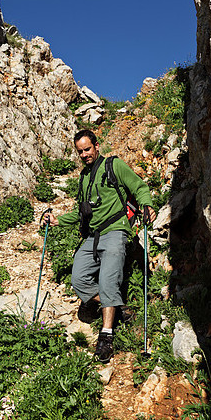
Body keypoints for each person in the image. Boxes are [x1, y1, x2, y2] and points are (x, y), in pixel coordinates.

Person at [44, 129, 157, 363]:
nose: (84, 154)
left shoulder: (113, 165)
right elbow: (80, 211)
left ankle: (105, 337)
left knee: (107, 281)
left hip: (116, 231)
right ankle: (118, 305)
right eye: (80, 152)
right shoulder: (84, 178)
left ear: (96, 146)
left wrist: (147, 205)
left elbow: (139, 187)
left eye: (87, 149)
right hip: (92, 236)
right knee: (79, 280)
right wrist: (57, 220)